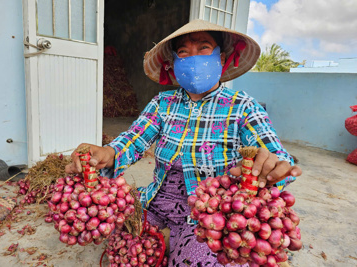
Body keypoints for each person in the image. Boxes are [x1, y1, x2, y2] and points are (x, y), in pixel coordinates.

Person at [66, 19, 302, 267]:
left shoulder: (243, 105)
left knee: (192, 261)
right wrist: (109, 151)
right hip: (158, 201)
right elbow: (135, 139)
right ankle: (170, 237)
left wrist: (274, 165)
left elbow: (272, 150)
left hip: (211, 211)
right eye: (183, 52)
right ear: (174, 64)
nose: (193, 57)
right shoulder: (162, 103)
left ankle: (179, 242)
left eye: (204, 48)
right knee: (126, 248)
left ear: (221, 58)